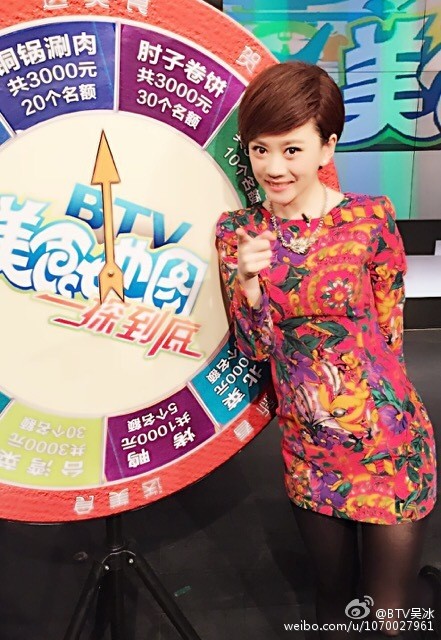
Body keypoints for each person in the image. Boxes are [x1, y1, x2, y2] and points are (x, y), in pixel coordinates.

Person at [215, 61, 439, 638]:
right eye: (260, 150)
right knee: (334, 604)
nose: (274, 167)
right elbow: (254, 347)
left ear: (327, 147)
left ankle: (424, 591)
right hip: (310, 448)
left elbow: (390, 328)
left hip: (389, 441)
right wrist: (247, 284)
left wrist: (379, 407)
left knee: (387, 617)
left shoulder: (370, 217)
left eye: (291, 149)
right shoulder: (237, 232)